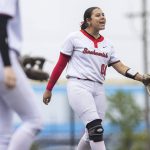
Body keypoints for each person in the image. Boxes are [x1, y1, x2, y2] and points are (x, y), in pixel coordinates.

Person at [43, 6, 148, 150]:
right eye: (98, 15)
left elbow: (120, 67)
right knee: (95, 129)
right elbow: (60, 65)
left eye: (103, 15)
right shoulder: (74, 38)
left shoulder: (108, 45)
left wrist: (141, 78)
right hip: (79, 85)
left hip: (98, 88)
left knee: (90, 132)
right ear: (88, 20)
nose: (103, 17)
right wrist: (49, 89)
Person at [0, 0, 43, 150]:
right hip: (4, 59)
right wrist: (7, 65)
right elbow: (1, 25)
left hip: (5, 59)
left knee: (3, 132)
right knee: (34, 120)